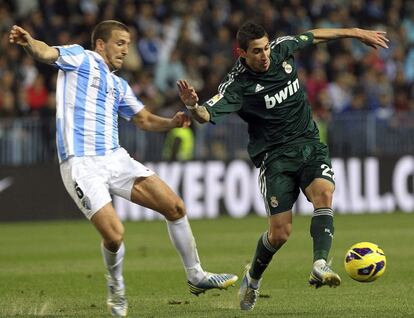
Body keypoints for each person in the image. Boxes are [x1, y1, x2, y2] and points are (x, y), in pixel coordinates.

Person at [9, 20, 238, 317]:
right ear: (101, 44)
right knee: (115, 236)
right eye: (120, 43)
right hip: (81, 163)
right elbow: (46, 53)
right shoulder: (81, 58)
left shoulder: (119, 84)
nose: (125, 50)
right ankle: (116, 287)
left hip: (115, 159)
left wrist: (171, 122)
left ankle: (196, 275)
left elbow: (143, 119)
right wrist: (29, 42)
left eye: (128, 45)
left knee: (175, 207)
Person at [177, 21, 389, 311]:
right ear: (242, 53)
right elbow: (205, 114)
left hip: (308, 143)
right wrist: (192, 105)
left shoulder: (281, 49)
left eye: (265, 48)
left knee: (324, 194)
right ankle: (252, 279)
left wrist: (357, 32)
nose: (264, 55)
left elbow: (315, 36)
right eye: (256, 51)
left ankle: (320, 263)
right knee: (280, 234)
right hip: (274, 157)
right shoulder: (237, 86)